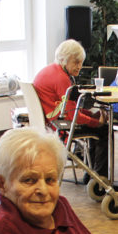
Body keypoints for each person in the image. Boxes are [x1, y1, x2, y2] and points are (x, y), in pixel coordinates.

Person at [32, 39, 113, 179]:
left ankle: (91, 174)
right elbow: (71, 115)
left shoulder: (50, 70)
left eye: (81, 62)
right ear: (64, 60)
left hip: (52, 119)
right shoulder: (61, 78)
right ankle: (100, 178)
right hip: (60, 123)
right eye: (76, 62)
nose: (79, 66)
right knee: (103, 129)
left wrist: (91, 115)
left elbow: (69, 107)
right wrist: (96, 122)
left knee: (95, 122)